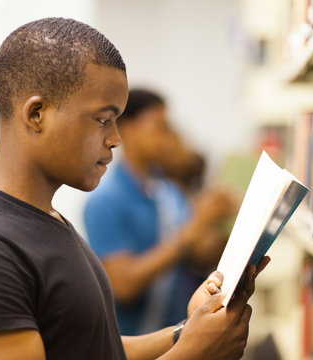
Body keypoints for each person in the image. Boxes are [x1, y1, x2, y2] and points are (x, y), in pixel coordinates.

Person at [0, 17, 269, 360]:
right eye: (103, 120)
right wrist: (193, 354)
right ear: (36, 115)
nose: (116, 139)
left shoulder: (47, 220)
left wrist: (187, 330)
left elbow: (93, 347)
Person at [84, 89, 239, 335]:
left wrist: (230, 223)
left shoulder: (168, 192)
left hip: (177, 337)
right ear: (128, 130)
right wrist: (191, 231)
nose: (168, 139)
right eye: (159, 128)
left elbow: (198, 255)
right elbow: (123, 285)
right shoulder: (104, 202)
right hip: (134, 344)